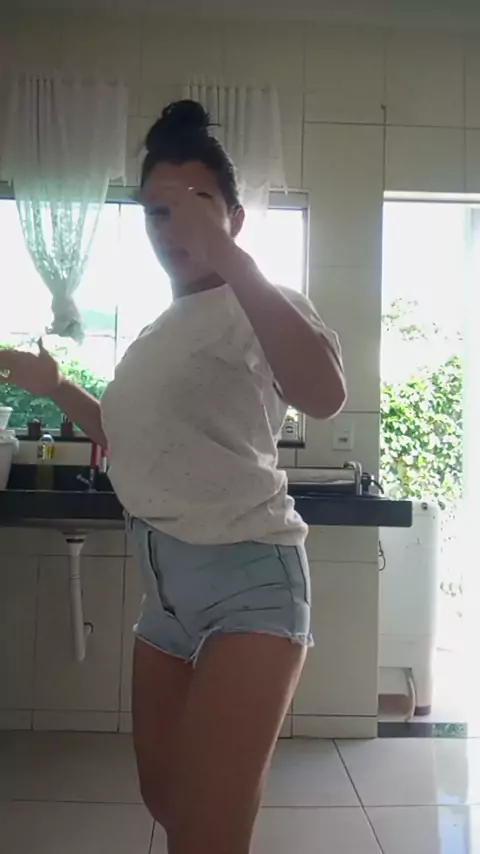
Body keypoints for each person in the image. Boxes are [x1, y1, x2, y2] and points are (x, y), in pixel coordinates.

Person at [0, 100, 346, 854]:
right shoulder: (158, 332)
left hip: (249, 580)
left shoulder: (260, 302)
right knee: (165, 799)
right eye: (159, 211)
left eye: (196, 205)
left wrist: (227, 255)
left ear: (234, 218)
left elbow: (324, 394)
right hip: (164, 595)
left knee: (207, 831)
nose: (175, 226)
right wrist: (56, 387)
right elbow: (123, 436)